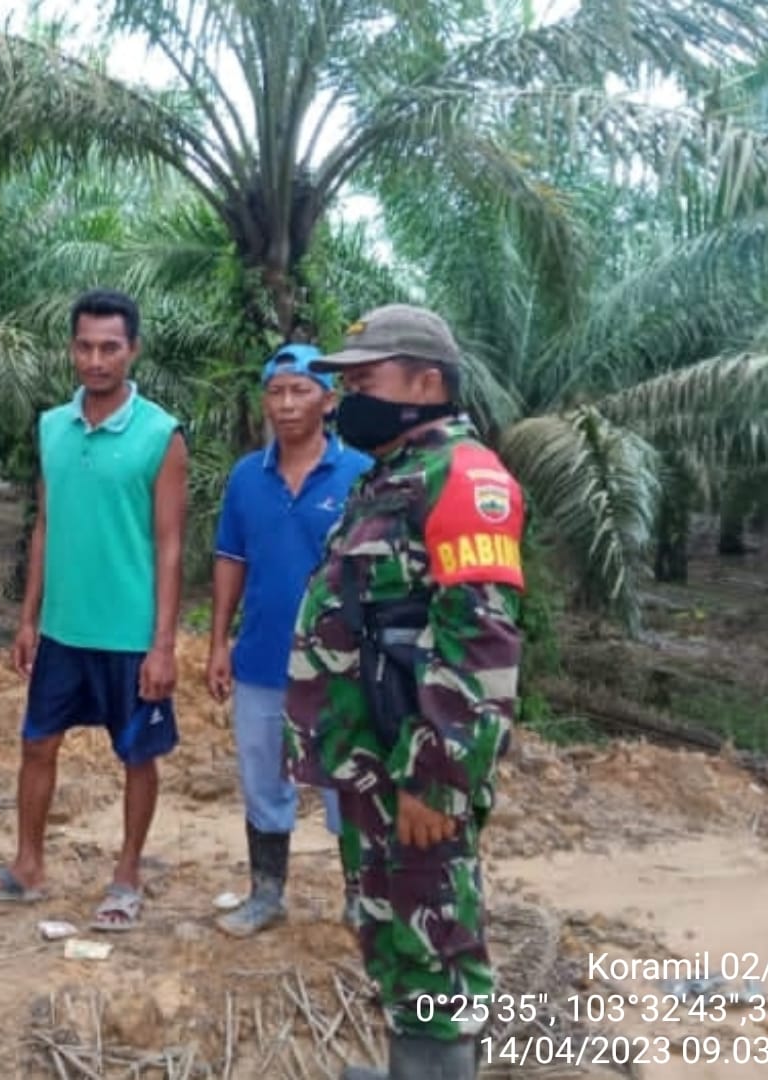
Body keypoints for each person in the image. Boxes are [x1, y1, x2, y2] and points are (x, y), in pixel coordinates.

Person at [282, 305, 525, 1080]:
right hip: (374, 762)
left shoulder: (463, 476)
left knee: (433, 941)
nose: (345, 395)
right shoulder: (393, 473)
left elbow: (480, 644)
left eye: (363, 378)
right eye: (343, 380)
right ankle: (408, 1069)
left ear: (426, 382)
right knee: (389, 921)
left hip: (415, 769)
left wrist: (435, 777)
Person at [0, 288, 187, 932]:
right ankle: (28, 866)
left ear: (133, 349)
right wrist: (28, 617)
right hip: (62, 630)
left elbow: (170, 545)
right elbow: (44, 526)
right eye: (84, 346)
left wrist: (163, 644)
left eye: (110, 346)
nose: (96, 359)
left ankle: (127, 873)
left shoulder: (160, 436)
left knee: (137, 755)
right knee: (37, 745)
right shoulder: (52, 426)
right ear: (71, 349)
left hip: (130, 634)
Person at [206, 344, 373, 938]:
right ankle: (266, 894)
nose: (286, 402)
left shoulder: (359, 475)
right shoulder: (247, 477)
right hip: (261, 660)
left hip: (340, 665)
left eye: (300, 390)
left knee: (347, 780)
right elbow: (231, 559)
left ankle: (360, 897)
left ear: (328, 401)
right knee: (262, 778)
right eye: (276, 391)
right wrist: (218, 642)